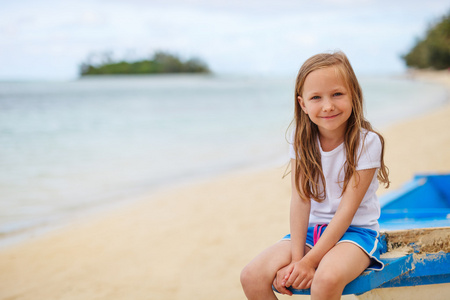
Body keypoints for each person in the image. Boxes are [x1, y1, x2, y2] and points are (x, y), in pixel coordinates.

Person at [240, 51, 390, 300]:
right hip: (311, 232)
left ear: (353, 94)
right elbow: (300, 200)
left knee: (326, 279)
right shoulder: (302, 141)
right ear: (303, 104)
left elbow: (346, 211)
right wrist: (298, 260)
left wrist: (310, 263)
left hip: (355, 233)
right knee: (251, 276)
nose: (328, 105)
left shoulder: (366, 142)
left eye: (337, 94)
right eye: (316, 97)